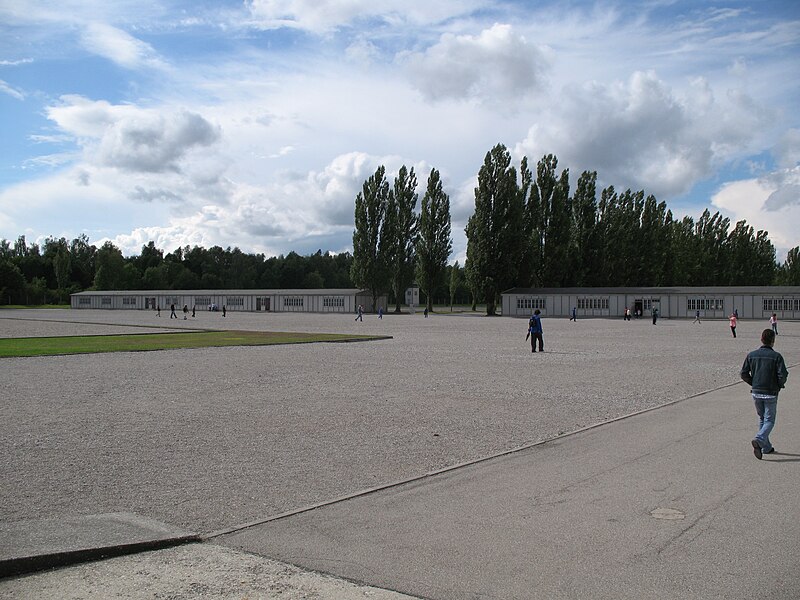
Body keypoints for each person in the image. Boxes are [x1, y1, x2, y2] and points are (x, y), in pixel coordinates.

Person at [740, 329, 788, 459]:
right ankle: (759, 439)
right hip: (771, 393)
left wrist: (754, 383)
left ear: (761, 339)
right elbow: (782, 375)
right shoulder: (777, 356)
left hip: (756, 392)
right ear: (773, 341)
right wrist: (778, 385)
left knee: (762, 419)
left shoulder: (751, 355)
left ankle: (766, 447)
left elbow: (743, 374)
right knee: (769, 420)